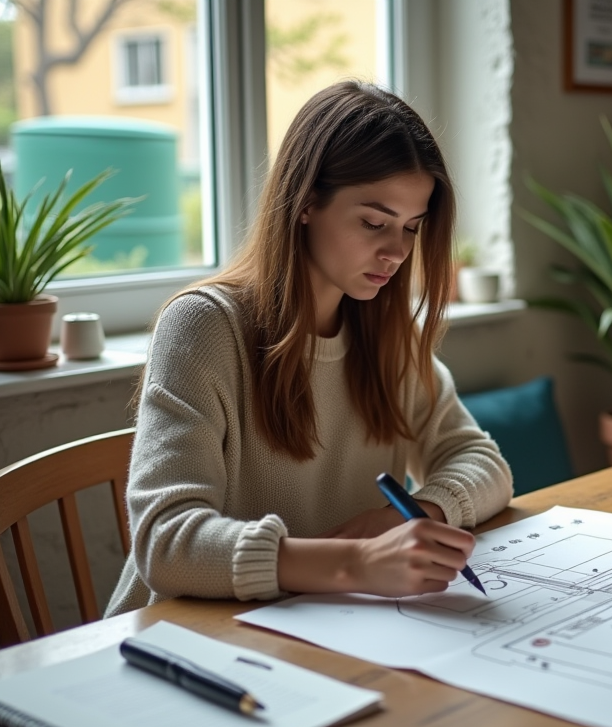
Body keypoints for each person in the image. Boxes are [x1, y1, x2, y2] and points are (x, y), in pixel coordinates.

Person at [106, 81, 513, 616]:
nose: (396, 252)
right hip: (189, 639)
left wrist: (412, 515)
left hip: (325, 622)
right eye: (374, 222)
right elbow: (166, 542)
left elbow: (483, 462)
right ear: (305, 203)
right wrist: (354, 563)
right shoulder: (204, 327)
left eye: (412, 228)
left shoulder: (385, 329)